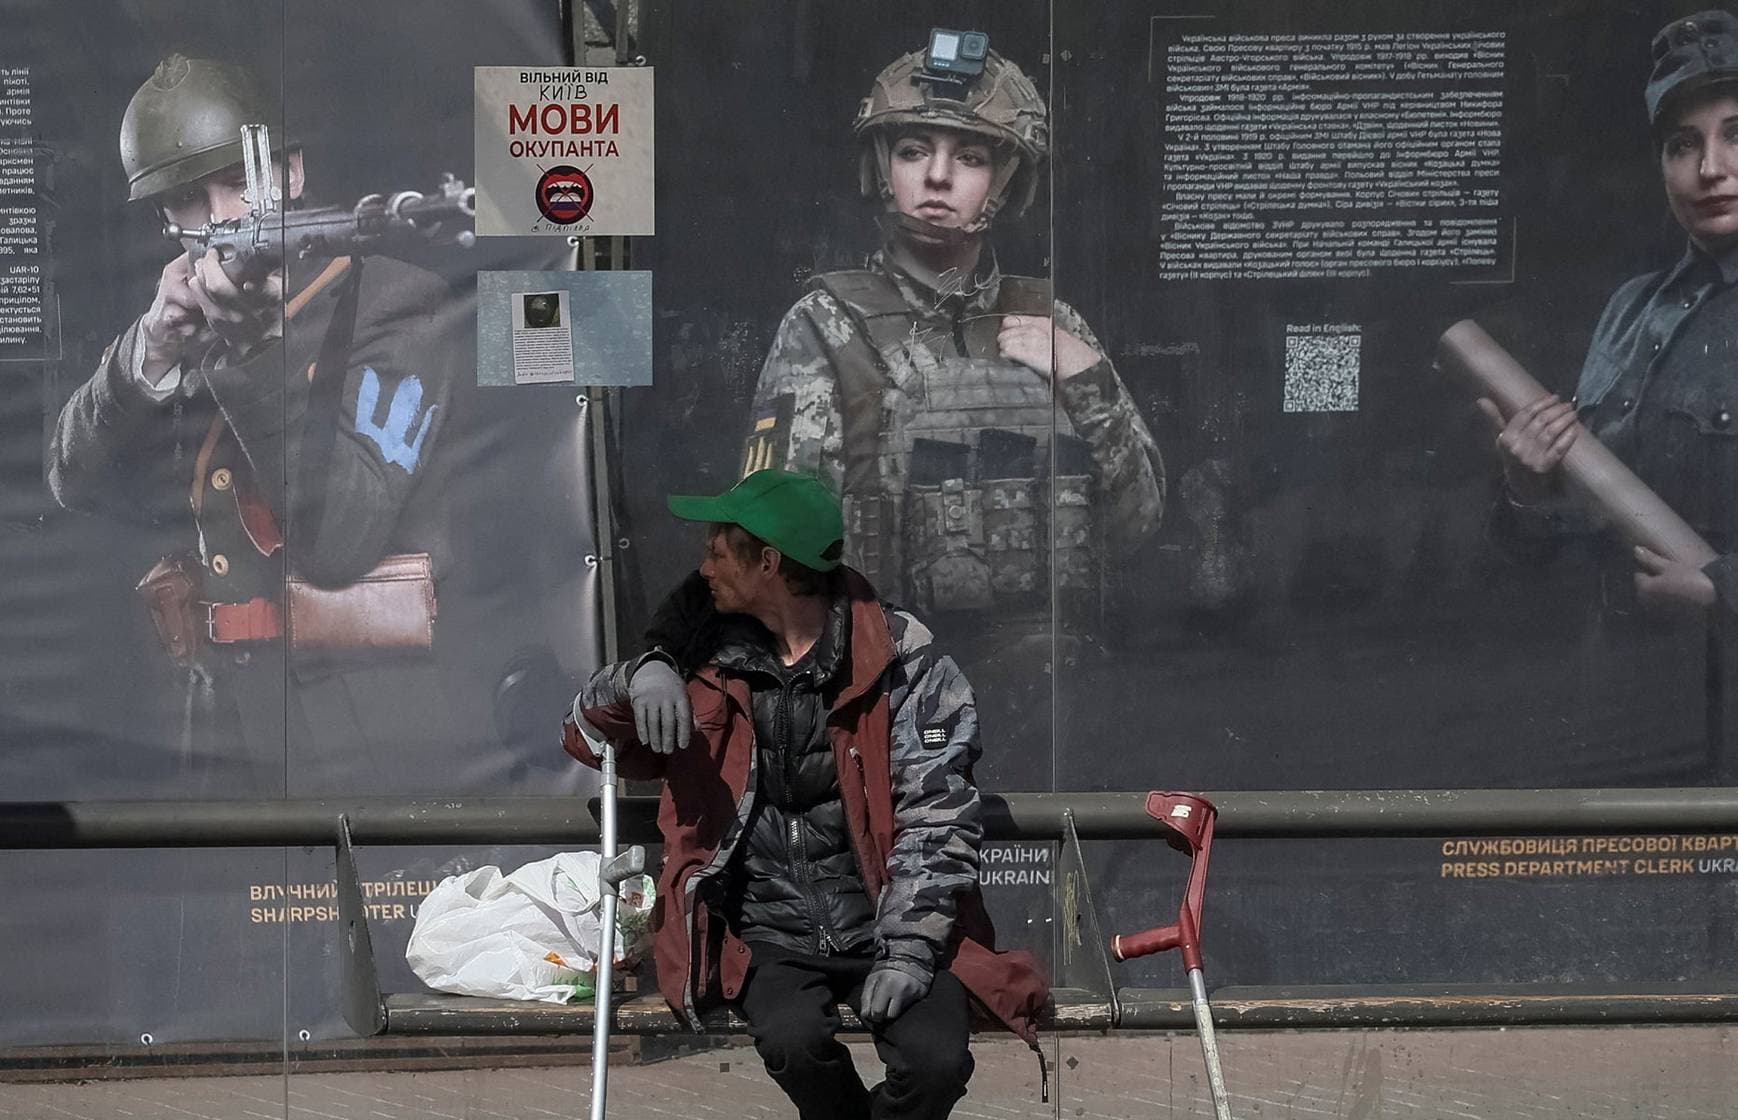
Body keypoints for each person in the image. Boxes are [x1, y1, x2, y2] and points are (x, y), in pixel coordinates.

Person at [642, 33, 1166, 786]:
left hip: (1052, 707)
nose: (940, 178)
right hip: (884, 703)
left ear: (1007, 180)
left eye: (974, 157)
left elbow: (1137, 524)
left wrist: (1086, 380)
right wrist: (671, 651)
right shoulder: (825, 328)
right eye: (915, 149)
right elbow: (765, 541)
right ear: (882, 168)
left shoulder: (1056, 326)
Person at [562, 469, 1048, 1120]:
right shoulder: (699, 661)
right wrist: (638, 677)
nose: (702, 567)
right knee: (794, 1042)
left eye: (716, 550)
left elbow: (939, 815)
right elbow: (588, 736)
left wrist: (906, 951)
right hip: (765, 932)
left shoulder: (906, 660)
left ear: (767, 562)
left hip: (887, 921)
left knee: (938, 1063)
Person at [47, 54, 467, 795]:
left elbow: (339, 542)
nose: (221, 218)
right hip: (212, 727)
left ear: (292, 174)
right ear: (162, 218)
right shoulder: (186, 323)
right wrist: (152, 348)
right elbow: (69, 480)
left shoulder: (394, 305)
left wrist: (256, 352)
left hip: (358, 726)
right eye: (189, 199)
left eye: (240, 184)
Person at [1480, 10, 1738, 777]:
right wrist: (1527, 491)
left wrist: (1731, 590)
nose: (1710, 169)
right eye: (1683, 145)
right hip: (1608, 709)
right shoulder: (1632, 308)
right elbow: (1572, 535)